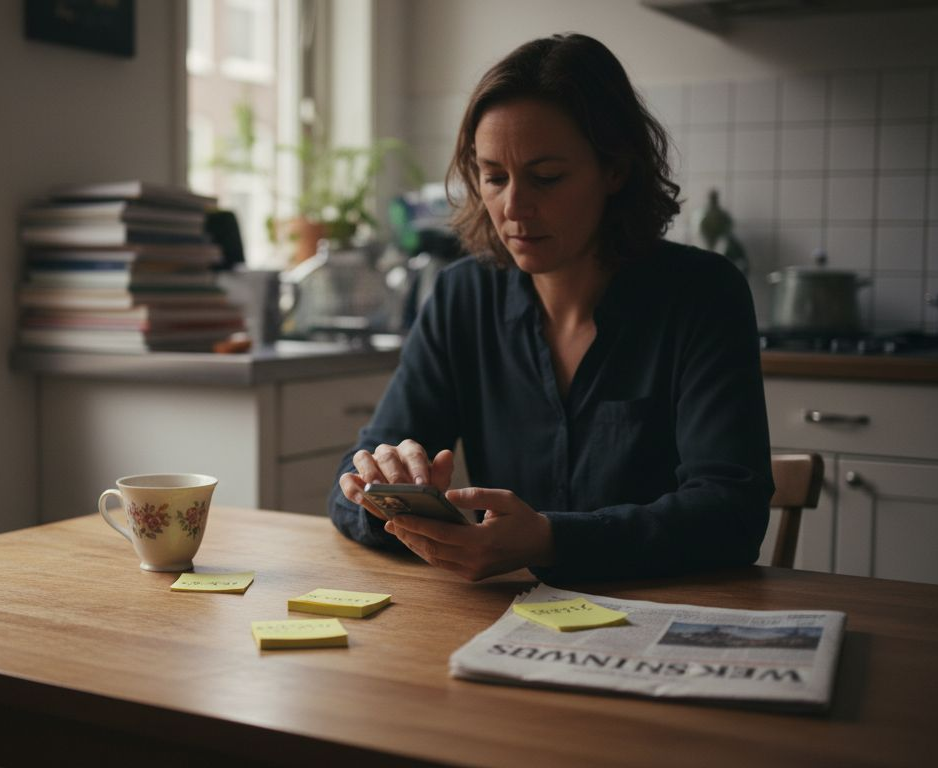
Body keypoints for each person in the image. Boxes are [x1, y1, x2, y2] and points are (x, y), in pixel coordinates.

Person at [327, 33, 773, 584]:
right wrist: (381, 491)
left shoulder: (704, 294)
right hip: (503, 624)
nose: (514, 207)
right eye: (493, 177)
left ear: (615, 170)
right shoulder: (461, 296)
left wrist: (551, 540)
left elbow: (732, 515)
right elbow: (349, 485)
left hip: (670, 620)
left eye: (547, 177)